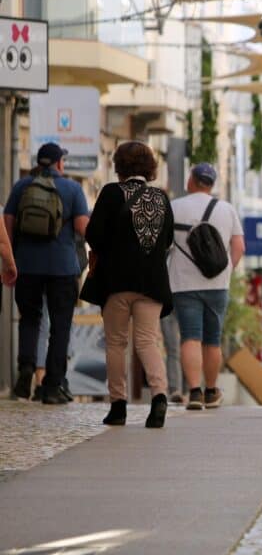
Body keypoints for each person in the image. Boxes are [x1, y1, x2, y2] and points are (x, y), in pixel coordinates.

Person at [84, 141, 175, 428]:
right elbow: (169, 240)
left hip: (117, 281)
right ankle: (159, 398)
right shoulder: (161, 198)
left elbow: (93, 234)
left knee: (116, 343)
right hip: (153, 283)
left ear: (119, 166)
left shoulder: (111, 193)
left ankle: (118, 407)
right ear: (149, 167)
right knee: (148, 341)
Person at [4, 143, 89, 404]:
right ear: (59, 163)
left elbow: (7, 227)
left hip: (27, 265)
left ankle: (26, 368)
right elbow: (83, 228)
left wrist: (11, 261)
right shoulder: (73, 188)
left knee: (30, 319)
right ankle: (52, 385)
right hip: (62, 268)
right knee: (60, 325)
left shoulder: (21, 186)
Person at [169, 163, 245, 411]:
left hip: (183, 283)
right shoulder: (226, 209)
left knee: (190, 336)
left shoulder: (175, 207)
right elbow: (239, 247)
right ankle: (211, 391)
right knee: (212, 340)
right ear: (211, 184)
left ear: (191, 180)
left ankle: (194, 392)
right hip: (217, 285)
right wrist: (227, 272)